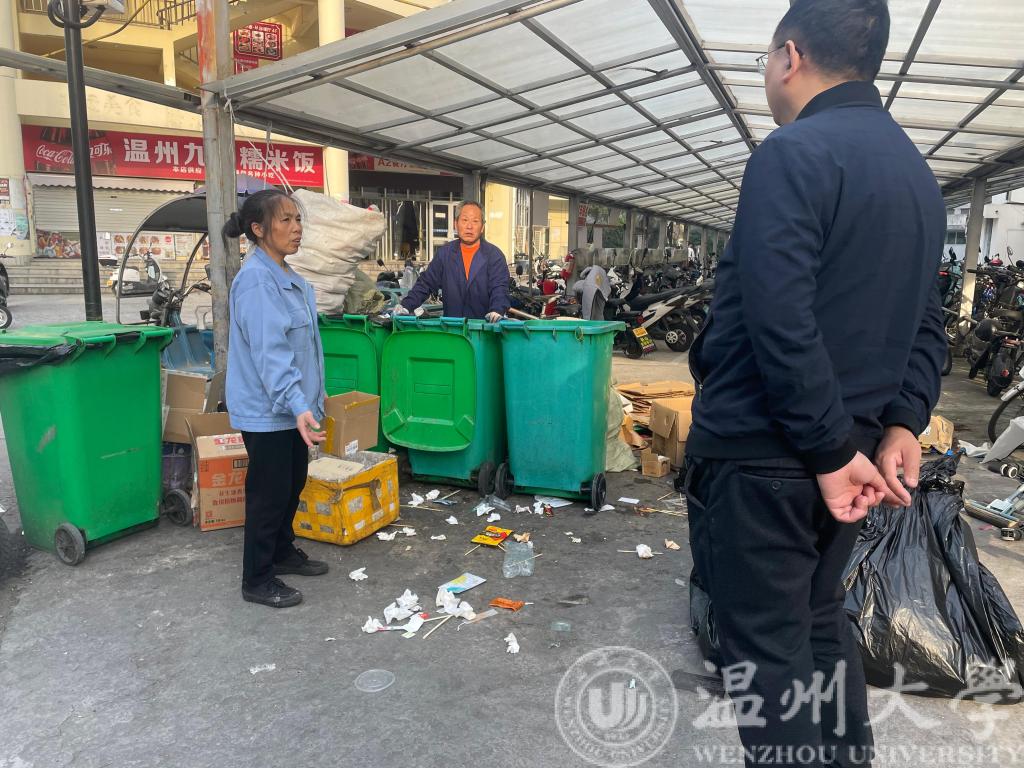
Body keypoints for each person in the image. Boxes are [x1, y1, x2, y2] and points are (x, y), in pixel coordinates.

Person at [682, 1, 946, 766]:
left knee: (767, 655)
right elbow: (926, 323)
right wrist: (902, 422)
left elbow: (778, 316)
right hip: (853, 455)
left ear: (789, 56)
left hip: (771, 454)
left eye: (767, 60)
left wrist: (829, 450)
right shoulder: (916, 177)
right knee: (820, 620)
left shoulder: (793, 153)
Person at [224, 190, 329, 609]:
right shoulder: (257, 281)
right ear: (258, 229)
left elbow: (304, 348)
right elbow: (271, 353)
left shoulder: (288, 277)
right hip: (269, 410)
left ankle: (283, 552)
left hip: (292, 408)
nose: (296, 228)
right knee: (268, 494)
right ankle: (257, 578)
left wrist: (313, 397)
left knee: (291, 484)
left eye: (297, 219)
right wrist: (298, 403)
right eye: (285, 220)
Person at [396, 201, 510, 321]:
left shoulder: (494, 256)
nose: (469, 226)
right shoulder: (445, 254)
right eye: (465, 220)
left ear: (482, 227)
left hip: (483, 327)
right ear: (456, 224)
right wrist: (406, 306)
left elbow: (500, 288)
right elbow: (426, 283)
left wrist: (497, 310)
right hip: (452, 327)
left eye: (475, 221)